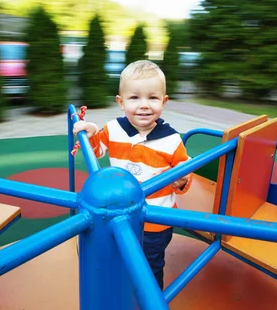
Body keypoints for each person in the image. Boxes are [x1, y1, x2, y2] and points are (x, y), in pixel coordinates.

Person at [73, 60, 192, 289]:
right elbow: (97, 150)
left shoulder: (172, 140)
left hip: (155, 220)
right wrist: (90, 132)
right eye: (134, 98)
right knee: (118, 255)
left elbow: (184, 172)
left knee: (150, 266)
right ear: (121, 101)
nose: (144, 105)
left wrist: (182, 180)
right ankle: (120, 289)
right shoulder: (114, 129)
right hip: (121, 215)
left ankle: (148, 299)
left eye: (153, 98)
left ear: (164, 102)